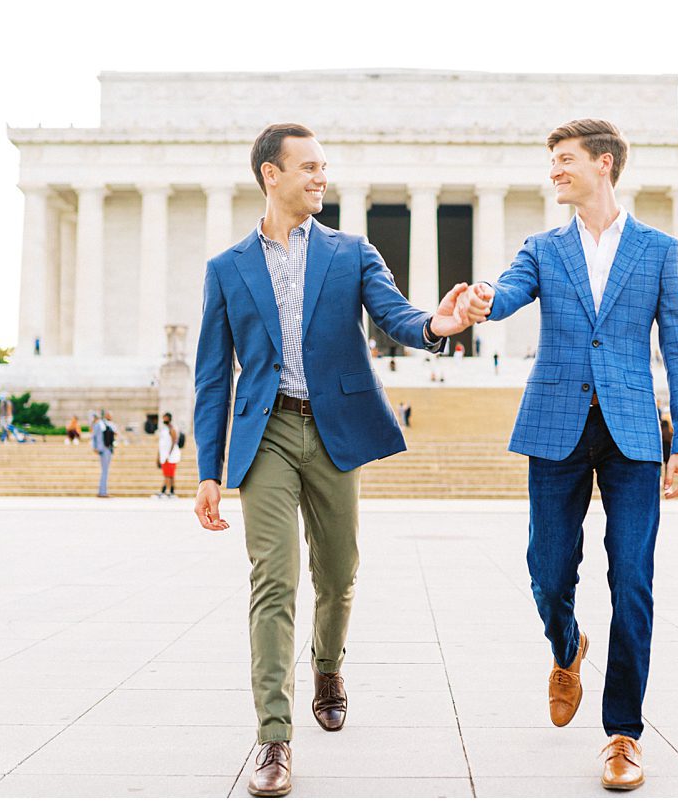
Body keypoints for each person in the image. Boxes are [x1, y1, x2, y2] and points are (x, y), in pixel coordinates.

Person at [191, 123, 477, 798]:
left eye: (324, 166)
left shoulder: (351, 252)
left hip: (334, 430)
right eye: (309, 167)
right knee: (273, 582)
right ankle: (273, 737)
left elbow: (397, 317)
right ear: (272, 174)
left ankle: (327, 666)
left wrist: (436, 326)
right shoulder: (228, 268)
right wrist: (208, 468)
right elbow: (211, 376)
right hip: (266, 436)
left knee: (339, 571)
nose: (322, 176)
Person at [456, 119, 678, 791]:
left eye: (565, 160)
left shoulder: (657, 249)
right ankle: (567, 646)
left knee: (633, 581)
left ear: (604, 163)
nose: (555, 170)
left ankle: (623, 732)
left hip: (632, 433)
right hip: (556, 424)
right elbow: (506, 294)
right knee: (547, 568)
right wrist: (482, 300)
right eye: (552, 160)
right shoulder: (542, 247)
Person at [155, 412, 181, 498]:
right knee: (168, 474)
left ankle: (166, 491)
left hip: (171, 456)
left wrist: (168, 455)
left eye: (165, 418)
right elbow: (161, 444)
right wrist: (159, 456)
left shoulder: (172, 429)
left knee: (169, 475)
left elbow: (174, 442)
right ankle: (170, 491)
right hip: (164, 455)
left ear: (169, 418)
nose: (164, 420)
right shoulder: (164, 429)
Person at [91, 411, 116, 496]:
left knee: (105, 471)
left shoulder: (108, 425)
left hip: (106, 449)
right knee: (104, 471)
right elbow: (93, 436)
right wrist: (95, 447)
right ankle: (102, 492)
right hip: (104, 449)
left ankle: (102, 490)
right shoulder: (100, 424)